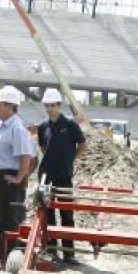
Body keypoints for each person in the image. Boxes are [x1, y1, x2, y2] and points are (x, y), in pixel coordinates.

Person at [0, 85, 35, 266]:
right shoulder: (2, 126)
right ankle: (1, 255)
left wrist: (19, 178)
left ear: (9, 106)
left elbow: (25, 156)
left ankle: (8, 260)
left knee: (8, 220)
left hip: (8, 179)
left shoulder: (16, 128)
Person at [37, 87, 86, 261]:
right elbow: (43, 147)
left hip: (64, 176)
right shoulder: (43, 128)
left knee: (66, 214)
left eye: (53, 105)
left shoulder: (70, 125)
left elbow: (82, 144)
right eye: (47, 106)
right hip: (46, 176)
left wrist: (70, 159)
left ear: (59, 106)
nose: (50, 109)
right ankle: (51, 250)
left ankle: (69, 254)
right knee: (48, 214)